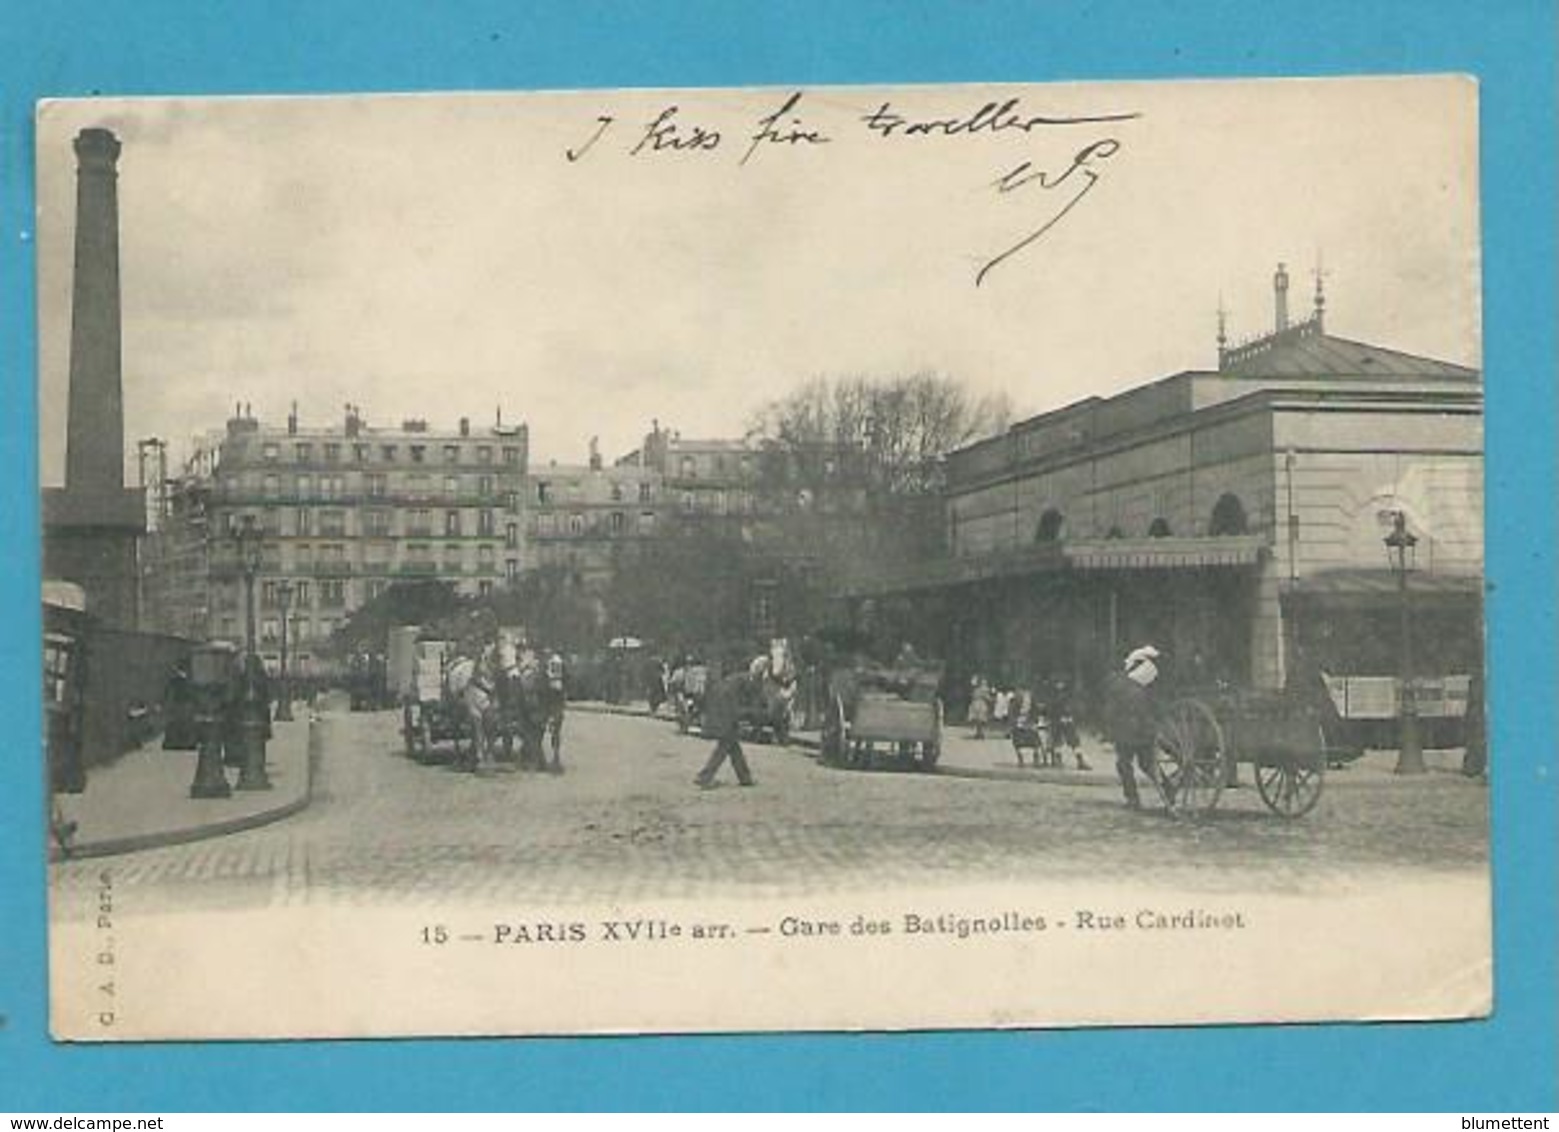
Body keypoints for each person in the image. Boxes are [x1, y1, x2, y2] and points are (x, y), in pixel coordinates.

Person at [1104, 645, 1161, 809]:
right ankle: (1167, 787)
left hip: (1126, 731)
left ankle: (1133, 798)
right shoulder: (1139, 683)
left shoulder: (1118, 686)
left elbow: (1111, 711)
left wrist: (1108, 732)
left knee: (1123, 764)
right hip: (1145, 728)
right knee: (1146, 764)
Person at [694, 669, 756, 788]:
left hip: (722, 718)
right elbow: (735, 705)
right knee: (723, 749)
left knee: (734, 748)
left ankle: (745, 778)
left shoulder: (727, 683)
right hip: (727, 719)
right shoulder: (741, 682)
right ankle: (705, 776)